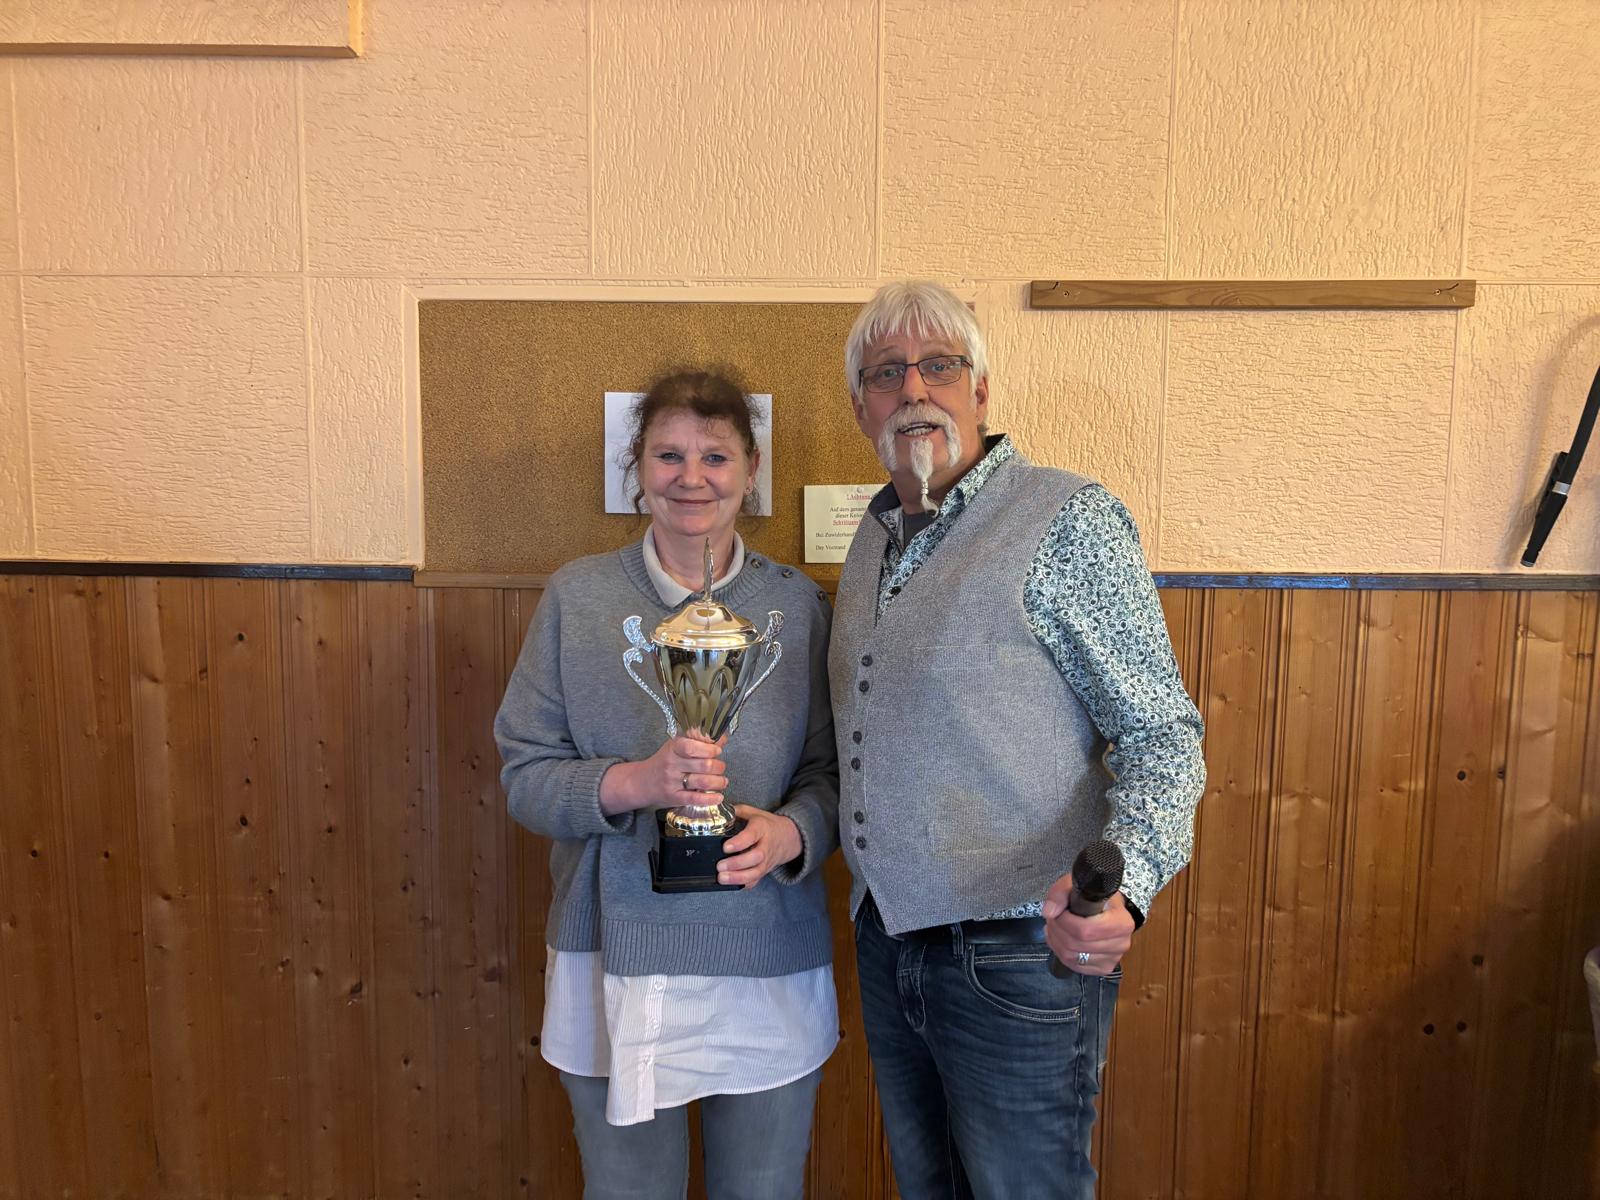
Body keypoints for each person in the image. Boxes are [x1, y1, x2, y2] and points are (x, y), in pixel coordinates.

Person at [829, 281, 1206, 1199]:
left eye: (939, 365)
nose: (913, 388)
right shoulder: (872, 539)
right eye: (886, 373)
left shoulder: (1067, 518)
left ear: (981, 389)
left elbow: (1162, 733)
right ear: (861, 408)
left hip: (1017, 953)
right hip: (888, 942)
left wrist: (1130, 886)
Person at [495, 368, 839, 1200]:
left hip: (766, 953)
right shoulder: (578, 597)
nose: (692, 478)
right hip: (614, 957)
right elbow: (525, 776)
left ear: (751, 471)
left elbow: (834, 775)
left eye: (715, 456)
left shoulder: (796, 605)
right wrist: (635, 783)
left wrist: (793, 833)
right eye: (669, 455)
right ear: (638, 469)